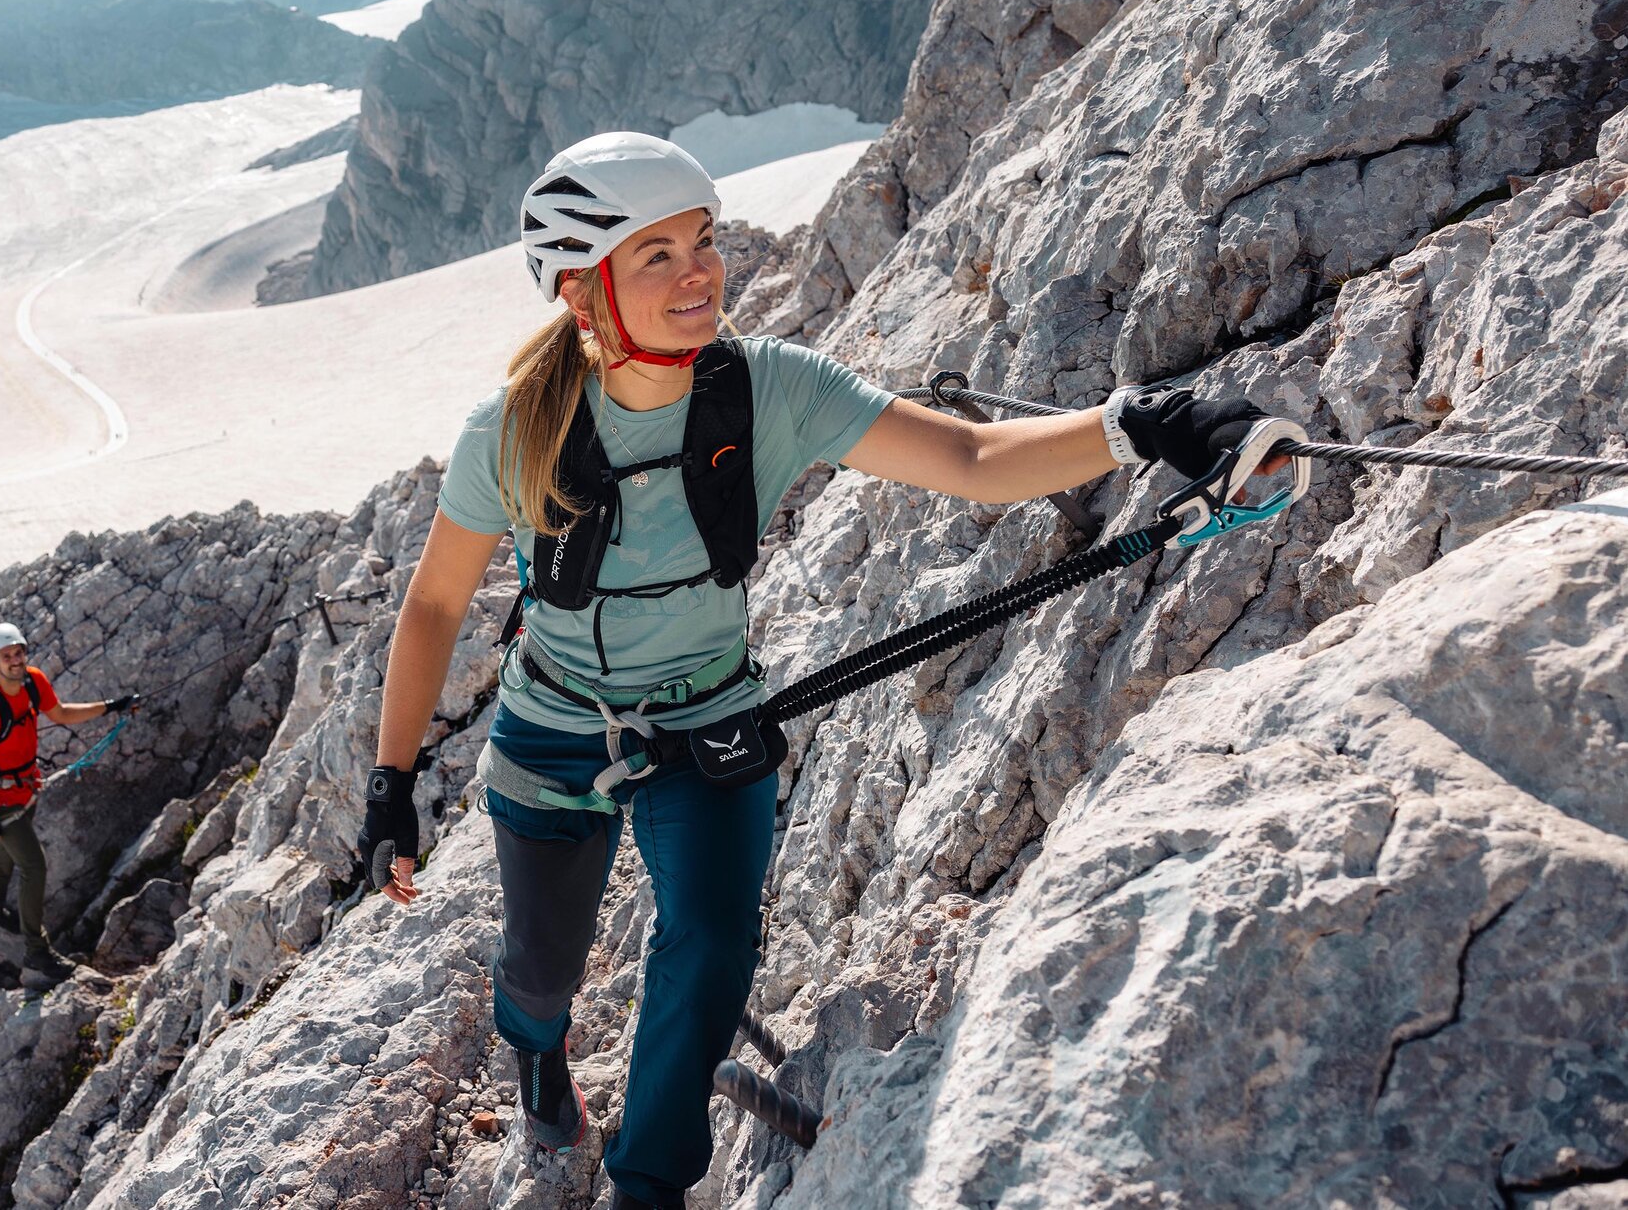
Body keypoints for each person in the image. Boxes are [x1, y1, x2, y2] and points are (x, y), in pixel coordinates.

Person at [355, 133, 1280, 1209]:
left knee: (707, 946)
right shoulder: (511, 429)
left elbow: (971, 461)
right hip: (552, 729)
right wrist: (388, 782)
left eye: (700, 239)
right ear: (579, 290)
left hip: (705, 723)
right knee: (541, 966)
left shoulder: (768, 392)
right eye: (651, 254)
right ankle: (536, 1059)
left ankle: (643, 1186)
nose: (699, 271)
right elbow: (430, 604)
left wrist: (1140, 423)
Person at [0, 621, 137, 979]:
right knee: (33, 867)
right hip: (0, 799)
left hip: (26, 787)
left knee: (7, 850)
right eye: (6, 656)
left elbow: (60, 714)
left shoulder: (33, 681)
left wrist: (111, 706)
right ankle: (36, 952)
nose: (15, 660)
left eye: (19, 653)